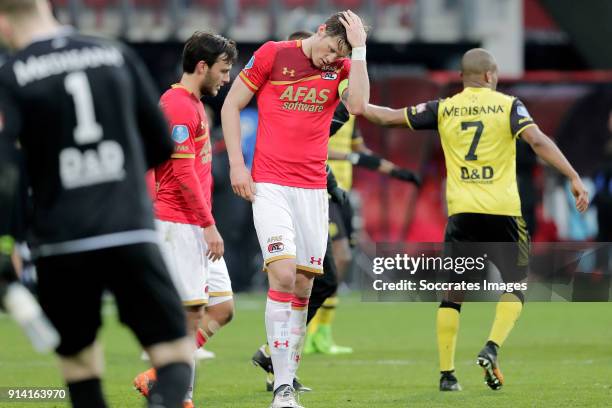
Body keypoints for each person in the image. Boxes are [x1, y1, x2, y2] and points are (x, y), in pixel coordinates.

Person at [0, 1, 195, 407]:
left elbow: (7, 169)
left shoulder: (12, 75)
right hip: (130, 228)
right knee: (175, 356)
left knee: (81, 367)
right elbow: (162, 144)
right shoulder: (114, 53)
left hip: (61, 242)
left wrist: (7, 243)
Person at [362, 48, 589, 392]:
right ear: (488, 75)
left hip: (463, 214)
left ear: (462, 78)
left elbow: (388, 117)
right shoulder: (509, 105)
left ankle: (447, 375)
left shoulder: (444, 108)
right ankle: (492, 346)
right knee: (515, 286)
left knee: (452, 294)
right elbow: (538, 141)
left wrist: (360, 105)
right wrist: (572, 175)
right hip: (503, 212)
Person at [222, 11, 369, 408]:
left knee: (305, 285)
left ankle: (284, 381)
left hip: (311, 190)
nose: (329, 58)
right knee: (284, 275)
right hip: (270, 184)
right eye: (331, 48)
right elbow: (231, 105)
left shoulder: (341, 67)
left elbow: (357, 105)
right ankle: (283, 388)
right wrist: (238, 164)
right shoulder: (274, 54)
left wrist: (358, 53)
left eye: (340, 53)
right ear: (320, 30)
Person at [133, 31, 237, 408]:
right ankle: (180, 397)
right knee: (191, 312)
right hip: (179, 222)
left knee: (222, 308)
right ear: (202, 66)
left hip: (194, 222)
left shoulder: (191, 104)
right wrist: (208, 224)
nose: (226, 79)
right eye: (223, 71)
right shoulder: (177, 105)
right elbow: (181, 174)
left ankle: (160, 378)